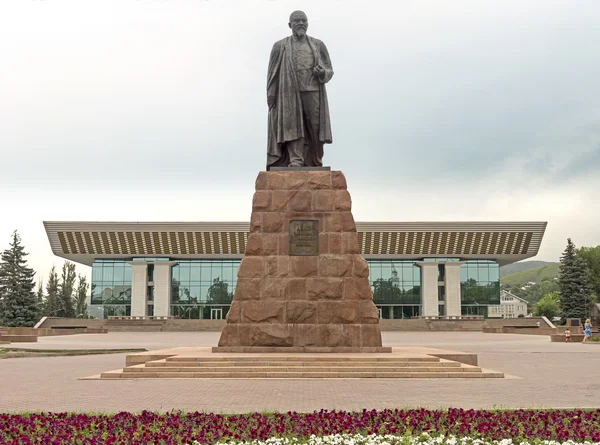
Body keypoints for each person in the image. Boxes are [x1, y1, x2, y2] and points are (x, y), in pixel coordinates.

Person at [266, 10, 334, 169]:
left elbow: (329, 69)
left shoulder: (318, 45)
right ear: (290, 25)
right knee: (292, 126)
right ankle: (295, 160)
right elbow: (272, 72)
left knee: (315, 127)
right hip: (289, 92)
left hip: (313, 91)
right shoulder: (280, 46)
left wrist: (322, 72)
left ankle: (314, 160)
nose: (301, 23)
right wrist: (271, 93)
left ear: (308, 23)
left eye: (304, 20)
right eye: (297, 21)